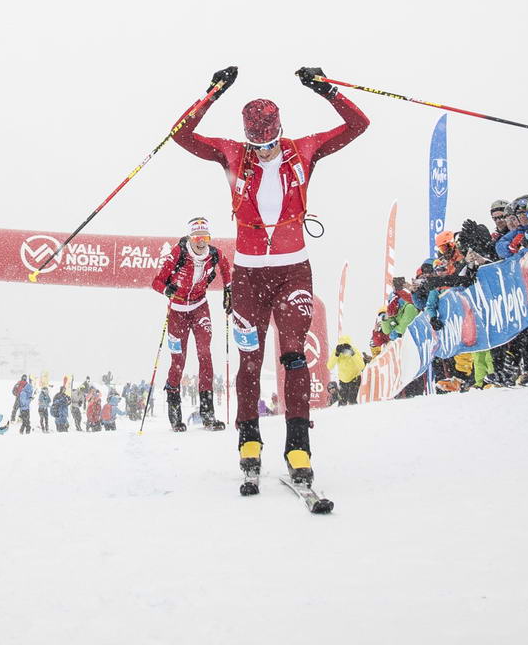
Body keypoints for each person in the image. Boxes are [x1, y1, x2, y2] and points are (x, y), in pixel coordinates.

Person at [174, 65, 368, 494]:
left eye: (271, 144)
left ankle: (299, 447)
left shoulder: (304, 149)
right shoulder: (231, 153)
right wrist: (213, 92)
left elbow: (358, 124)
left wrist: (326, 89)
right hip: (246, 276)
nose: (264, 153)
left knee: (294, 356)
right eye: (257, 145)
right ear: (247, 138)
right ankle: (249, 442)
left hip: (292, 270)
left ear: (281, 133)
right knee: (249, 360)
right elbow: (182, 135)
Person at [151, 217, 225, 432]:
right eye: (197, 238)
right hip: (177, 312)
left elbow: (227, 267)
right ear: (190, 238)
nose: (202, 242)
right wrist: (167, 290)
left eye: (205, 237)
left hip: (200, 308)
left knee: (205, 354)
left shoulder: (214, 253)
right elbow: (157, 281)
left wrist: (228, 290)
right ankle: (175, 414)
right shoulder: (178, 253)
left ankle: (208, 414)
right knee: (178, 362)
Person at [331, 338, 366, 404]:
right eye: (343, 349)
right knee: (342, 404)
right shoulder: (337, 352)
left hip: (354, 380)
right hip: (343, 382)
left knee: (352, 402)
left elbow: (362, 366)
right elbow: (330, 366)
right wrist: (336, 354)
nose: (344, 352)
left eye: (346, 349)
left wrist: (353, 353)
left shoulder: (354, 350)